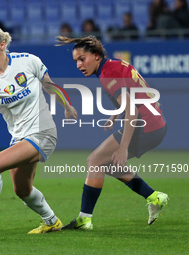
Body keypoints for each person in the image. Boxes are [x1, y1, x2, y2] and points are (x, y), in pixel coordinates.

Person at [0, 25, 78, 234]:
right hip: (19, 137)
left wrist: (67, 106)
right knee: (22, 190)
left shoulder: (27, 61)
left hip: (43, 132)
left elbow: (50, 86)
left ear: (1, 45)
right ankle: (52, 222)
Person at [57, 36, 169, 230]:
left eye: (82, 59)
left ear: (97, 56)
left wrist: (123, 147)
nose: (78, 65)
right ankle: (154, 197)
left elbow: (132, 108)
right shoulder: (115, 65)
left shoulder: (108, 74)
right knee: (104, 165)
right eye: (76, 60)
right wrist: (117, 114)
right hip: (155, 124)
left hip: (146, 126)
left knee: (95, 161)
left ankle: (85, 220)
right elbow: (136, 94)